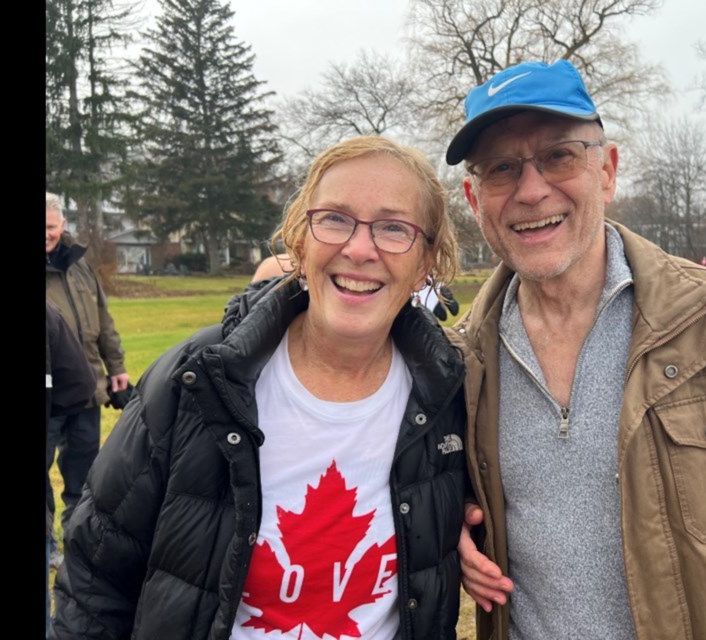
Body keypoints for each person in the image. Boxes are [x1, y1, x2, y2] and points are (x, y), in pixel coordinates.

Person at [446, 60, 706, 639]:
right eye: (501, 169)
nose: (531, 190)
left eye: (559, 156)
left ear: (607, 171)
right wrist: (446, 530)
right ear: (473, 197)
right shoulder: (456, 363)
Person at [51, 136, 468, 639]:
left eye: (394, 227)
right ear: (300, 240)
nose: (359, 249)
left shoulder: (448, 394)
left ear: (426, 263)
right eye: (334, 218)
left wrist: (472, 536)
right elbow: (94, 583)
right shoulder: (194, 381)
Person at [45, 192, 129, 562]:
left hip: (89, 390)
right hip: (50, 395)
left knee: (83, 473)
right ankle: (47, 545)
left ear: (62, 225)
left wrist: (117, 367)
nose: (44, 234)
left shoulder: (81, 265)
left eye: (49, 227)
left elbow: (104, 321)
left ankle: (76, 539)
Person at [46, 301, 97, 636]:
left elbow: (78, 380)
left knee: (81, 491)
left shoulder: (79, 269)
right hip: (68, 400)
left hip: (71, 404)